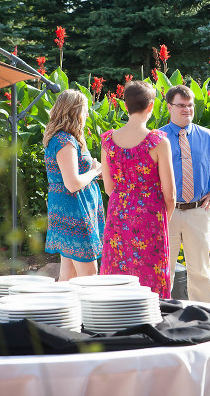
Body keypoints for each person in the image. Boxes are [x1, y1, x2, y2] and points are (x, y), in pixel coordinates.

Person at [99, 81, 176, 297]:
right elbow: (169, 192)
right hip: (150, 215)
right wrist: (163, 217)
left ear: (125, 106)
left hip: (118, 212)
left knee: (117, 271)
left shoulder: (107, 141)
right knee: (149, 274)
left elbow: (109, 187)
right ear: (150, 106)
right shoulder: (158, 141)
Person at [160, 85, 210, 303]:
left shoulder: (208, 137)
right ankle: (160, 315)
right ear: (169, 107)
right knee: (164, 270)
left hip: (198, 211)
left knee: (200, 271)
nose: (187, 109)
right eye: (181, 105)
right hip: (167, 212)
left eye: (190, 105)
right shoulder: (157, 138)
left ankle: (205, 316)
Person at [43, 89, 105, 281]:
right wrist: (95, 171)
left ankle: (58, 311)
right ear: (74, 111)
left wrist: (95, 174)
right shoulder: (65, 141)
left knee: (68, 274)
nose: (87, 115)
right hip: (74, 211)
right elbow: (72, 183)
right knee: (89, 274)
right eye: (85, 110)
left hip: (73, 208)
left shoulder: (66, 138)